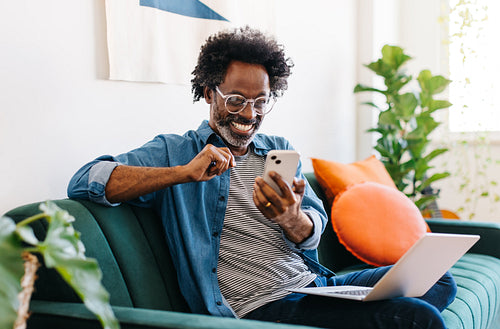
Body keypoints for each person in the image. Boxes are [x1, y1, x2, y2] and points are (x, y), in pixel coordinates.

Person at [68, 26, 456, 328]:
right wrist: (182, 174)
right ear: (209, 92)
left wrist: (293, 219)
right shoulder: (178, 151)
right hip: (260, 308)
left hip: (313, 286)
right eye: (236, 99)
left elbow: (314, 228)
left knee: (439, 279)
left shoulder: (278, 148)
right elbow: (88, 178)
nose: (249, 115)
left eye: (260, 102)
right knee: (415, 318)